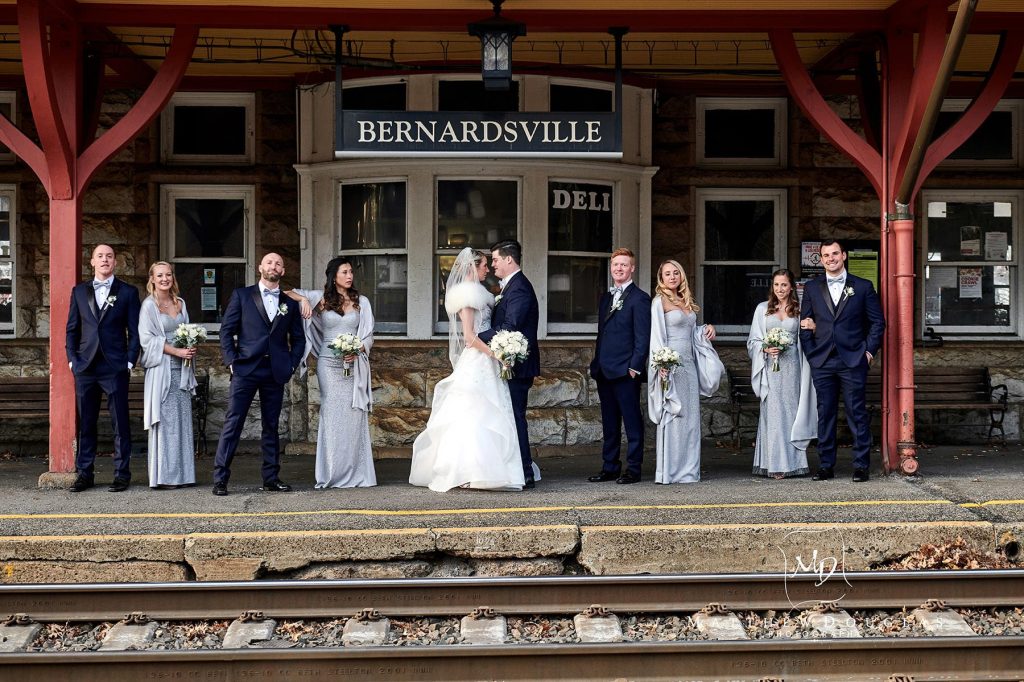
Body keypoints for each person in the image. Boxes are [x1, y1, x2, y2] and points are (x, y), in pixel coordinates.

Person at [409, 248, 527, 492]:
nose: (488, 269)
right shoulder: (466, 295)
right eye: (484, 264)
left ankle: (490, 469)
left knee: (488, 414)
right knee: (473, 415)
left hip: (486, 360)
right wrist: (496, 354)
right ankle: (467, 470)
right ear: (473, 267)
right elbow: (470, 337)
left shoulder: (482, 293)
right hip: (478, 359)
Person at [212, 252, 306, 496]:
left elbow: (298, 340)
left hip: (275, 371)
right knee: (233, 423)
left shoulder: (290, 303)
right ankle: (220, 478)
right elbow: (226, 332)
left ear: (282, 271)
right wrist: (232, 362)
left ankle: (271, 478)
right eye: (269, 262)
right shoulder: (242, 295)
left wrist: (290, 365)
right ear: (260, 267)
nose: (273, 266)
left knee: (271, 426)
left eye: (278, 263)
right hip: (246, 369)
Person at [286, 256, 376, 488]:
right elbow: (286, 292)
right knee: (333, 414)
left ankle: (357, 473)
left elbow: (368, 334)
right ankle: (332, 472)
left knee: (354, 415)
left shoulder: (361, 302)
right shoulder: (322, 300)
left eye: (351, 272)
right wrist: (304, 300)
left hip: (353, 364)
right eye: (344, 272)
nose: (349, 276)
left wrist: (358, 350)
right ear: (333, 276)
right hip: (329, 364)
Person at [800, 239, 886, 482]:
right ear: (821, 259)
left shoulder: (863, 286)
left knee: (856, 413)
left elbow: (877, 323)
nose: (831, 258)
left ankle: (861, 466)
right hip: (822, 361)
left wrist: (868, 352)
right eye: (826, 255)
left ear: (844, 255)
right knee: (824, 414)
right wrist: (811, 353)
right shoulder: (812, 287)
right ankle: (826, 465)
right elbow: (805, 324)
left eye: (835, 253)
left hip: (853, 360)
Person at [66, 244, 142, 493]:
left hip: (114, 366)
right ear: (92, 262)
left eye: (109, 256)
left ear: (115, 262)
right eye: (100, 256)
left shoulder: (128, 292)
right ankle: (84, 473)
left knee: (120, 422)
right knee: (86, 423)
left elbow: (135, 331)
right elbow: (72, 329)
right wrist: (72, 361)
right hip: (86, 367)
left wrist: (130, 360)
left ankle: (121, 474)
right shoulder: (79, 291)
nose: (105, 260)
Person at [647, 259, 722, 484]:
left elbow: (690, 332)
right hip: (670, 365)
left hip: (688, 365)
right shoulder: (659, 302)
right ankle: (669, 471)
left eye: (676, 273)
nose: (672, 277)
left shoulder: (685, 301)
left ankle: (689, 471)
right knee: (673, 414)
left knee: (689, 418)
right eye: (667, 273)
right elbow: (657, 336)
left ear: (681, 276)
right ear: (661, 278)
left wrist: (706, 329)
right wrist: (661, 366)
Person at [476, 239, 541, 489]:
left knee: (515, 418)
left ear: (509, 260)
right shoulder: (509, 287)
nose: (492, 265)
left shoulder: (520, 288)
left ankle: (525, 472)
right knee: (508, 417)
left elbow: (510, 326)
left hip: (518, 365)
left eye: (495, 260)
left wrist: (475, 339)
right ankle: (515, 468)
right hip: (507, 363)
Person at [588, 247, 652, 485]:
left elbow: (642, 337)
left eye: (624, 265)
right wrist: (596, 363)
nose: (619, 268)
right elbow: (602, 334)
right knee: (609, 422)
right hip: (604, 370)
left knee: (632, 421)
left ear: (632, 268)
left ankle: (633, 469)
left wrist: (635, 367)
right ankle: (610, 467)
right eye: (615, 265)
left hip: (626, 371)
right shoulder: (606, 298)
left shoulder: (640, 298)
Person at [746, 268, 816, 479]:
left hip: (793, 366)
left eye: (784, 285)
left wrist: (813, 327)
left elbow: (807, 335)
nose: (780, 289)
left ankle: (793, 463)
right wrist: (765, 349)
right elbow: (753, 341)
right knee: (773, 413)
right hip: (770, 368)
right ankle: (774, 463)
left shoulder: (800, 309)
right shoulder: (762, 309)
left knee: (792, 412)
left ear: (791, 287)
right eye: (776, 285)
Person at [139, 261, 198, 489]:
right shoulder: (148, 306)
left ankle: (183, 475)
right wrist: (176, 351)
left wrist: (191, 347)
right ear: (152, 278)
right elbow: (147, 339)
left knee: (182, 422)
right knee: (166, 424)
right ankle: (165, 476)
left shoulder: (180, 303)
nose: (165, 279)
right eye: (160, 275)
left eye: (169, 275)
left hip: (182, 370)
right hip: (161, 371)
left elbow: (188, 332)